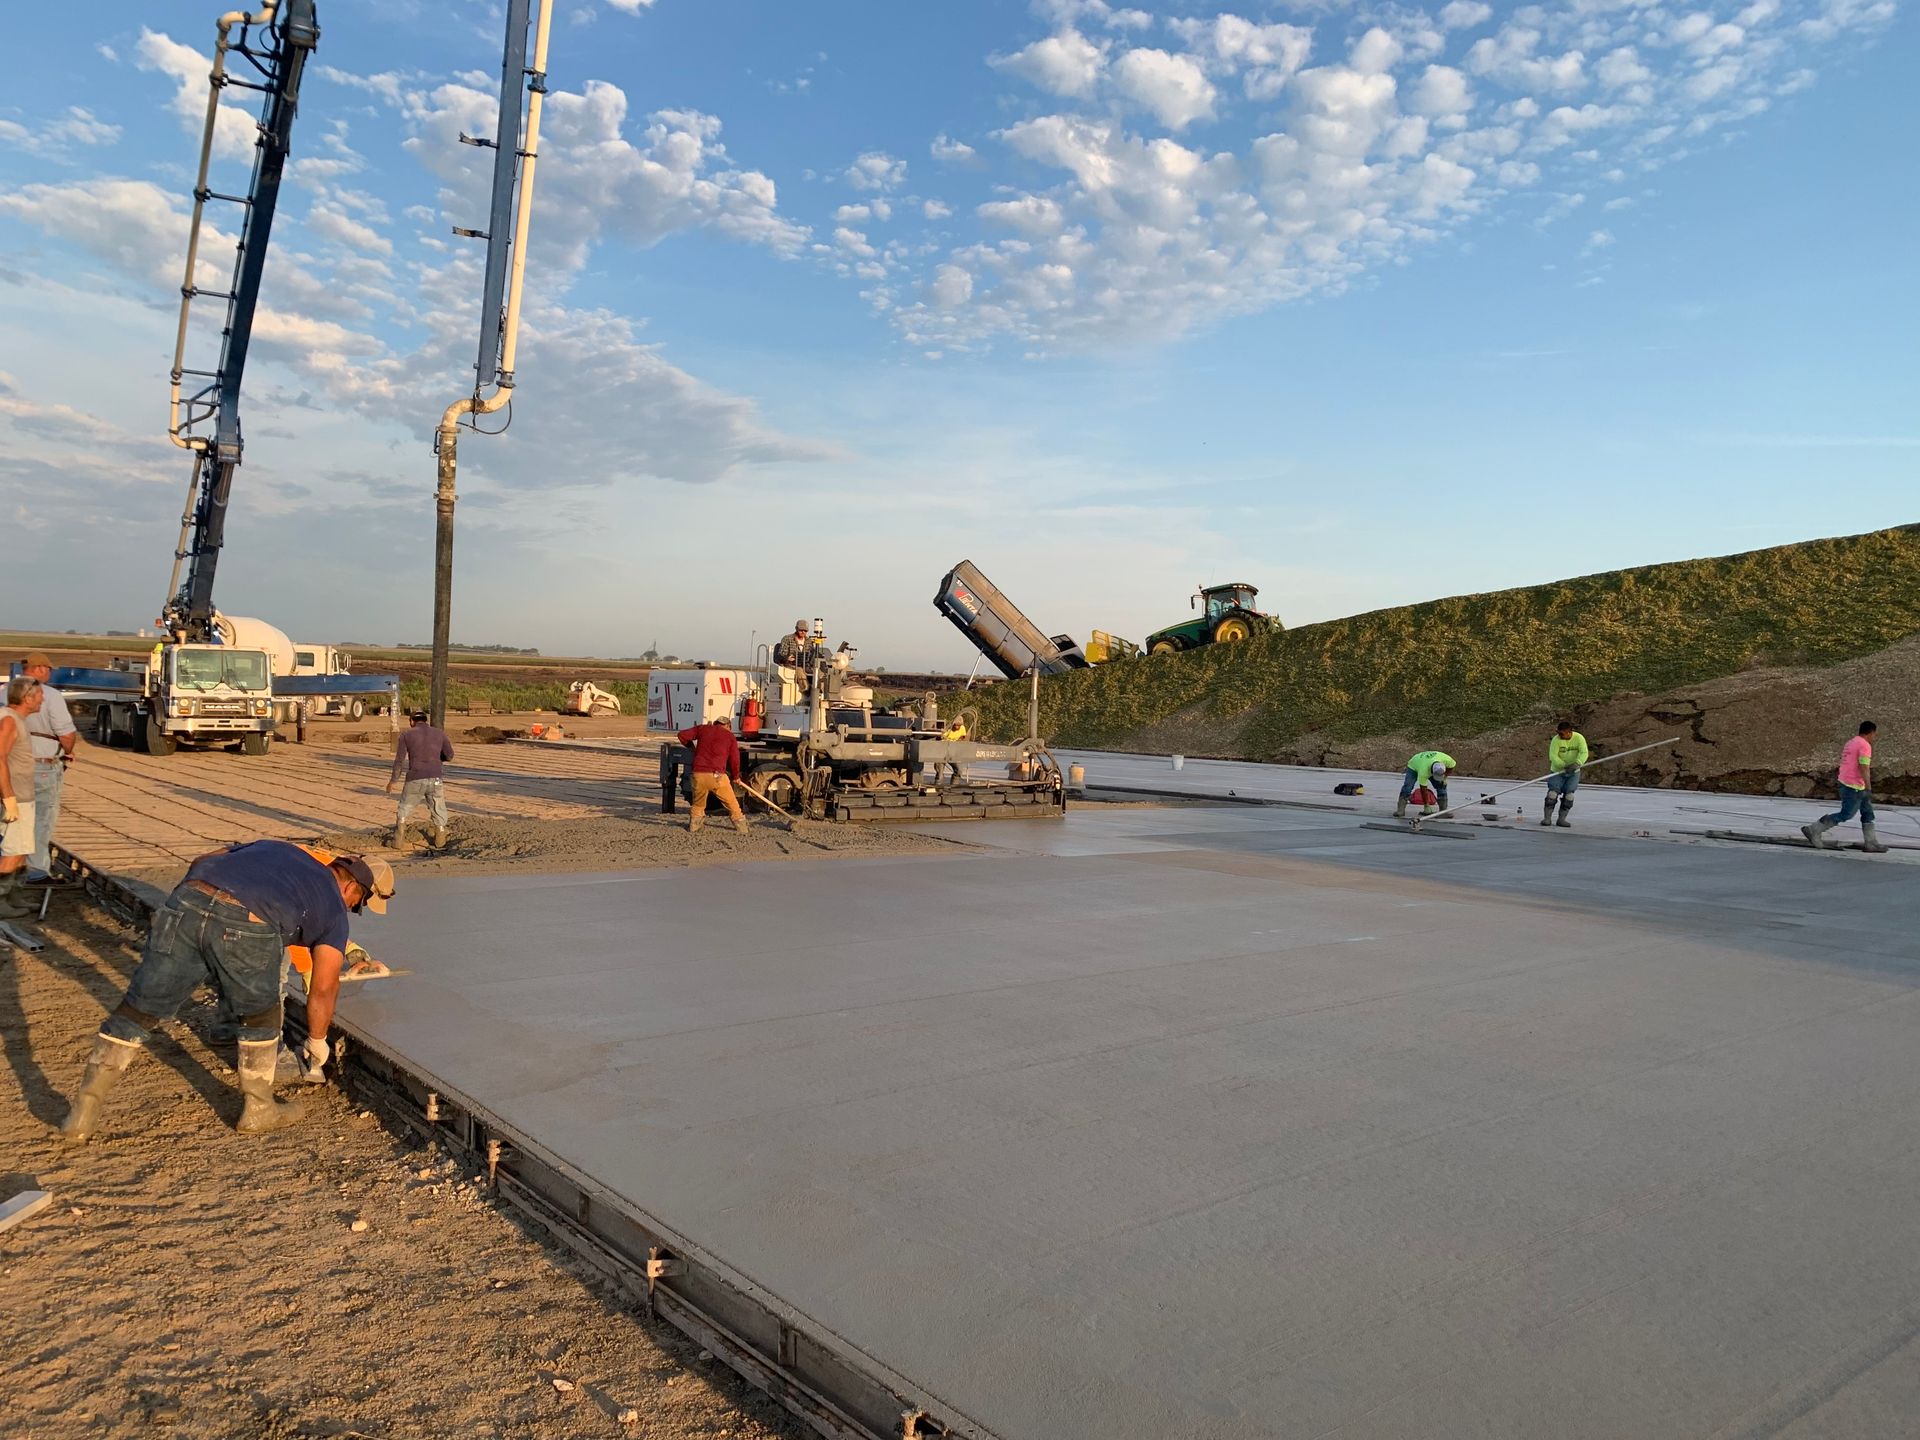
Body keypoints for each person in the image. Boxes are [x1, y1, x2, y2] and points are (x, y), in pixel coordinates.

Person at [59, 840, 396, 1140]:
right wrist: (318, 1039)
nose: (352, 909)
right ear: (351, 887)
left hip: (187, 901)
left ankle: (82, 1113)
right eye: (357, 903)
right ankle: (260, 1109)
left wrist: (193, 908)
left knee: (139, 1008)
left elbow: (203, 860)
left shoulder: (279, 848)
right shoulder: (333, 909)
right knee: (260, 1014)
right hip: (246, 923)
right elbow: (324, 987)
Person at [20, 652, 77, 881]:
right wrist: (68, 750)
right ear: (40, 669)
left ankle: (9, 867)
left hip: (11, 763)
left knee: (10, 819)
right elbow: (66, 733)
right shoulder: (49, 695)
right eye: (49, 669)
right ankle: (36, 871)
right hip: (42, 764)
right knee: (41, 819)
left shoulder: (5, 692)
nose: (50, 674)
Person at [0, 677, 46, 919]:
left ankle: (14, 896)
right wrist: (9, 797)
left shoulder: (15, 719)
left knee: (22, 848)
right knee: (13, 849)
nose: (42, 699)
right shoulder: (9, 720)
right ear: (27, 698)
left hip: (22, 795)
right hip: (15, 796)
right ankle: (1, 900)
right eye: (39, 695)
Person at [1803, 722, 1887, 853]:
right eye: (1874, 734)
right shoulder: (1865, 745)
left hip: (1850, 782)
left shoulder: (1851, 742)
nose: (1874, 737)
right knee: (1846, 814)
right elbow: (1864, 767)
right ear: (1871, 733)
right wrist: (1868, 787)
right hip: (1853, 786)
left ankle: (1871, 843)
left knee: (1867, 812)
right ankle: (1814, 829)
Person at [387, 708, 454, 848]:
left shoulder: (406, 735)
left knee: (405, 807)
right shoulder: (439, 733)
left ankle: (398, 839)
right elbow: (449, 755)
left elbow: (399, 760)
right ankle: (440, 839)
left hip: (415, 778)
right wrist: (437, 758)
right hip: (435, 778)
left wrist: (393, 780)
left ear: (412, 721)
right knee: (438, 807)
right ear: (425, 720)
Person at [677, 716, 749, 834]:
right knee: (732, 804)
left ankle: (695, 827)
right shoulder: (729, 736)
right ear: (728, 726)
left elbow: (682, 735)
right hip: (717, 776)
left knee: (698, 804)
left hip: (698, 775)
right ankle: (742, 828)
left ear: (715, 723)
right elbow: (735, 760)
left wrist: (691, 747)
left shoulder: (703, 729)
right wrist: (736, 776)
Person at [1543, 718, 1588, 828]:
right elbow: (1553, 756)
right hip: (1558, 771)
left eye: (1562, 733)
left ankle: (1561, 819)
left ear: (1569, 732)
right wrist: (1564, 766)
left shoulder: (1579, 738)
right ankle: (1547, 818)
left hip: (1574, 772)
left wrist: (1577, 763)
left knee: (1569, 796)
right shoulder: (1556, 740)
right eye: (1558, 733)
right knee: (1552, 794)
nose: (1560, 735)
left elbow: (1584, 752)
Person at [1396, 749, 1455, 820]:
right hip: (1414, 765)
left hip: (1426, 761)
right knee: (1407, 787)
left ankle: (1443, 812)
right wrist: (1426, 805)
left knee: (1441, 786)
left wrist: (1445, 777)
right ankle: (1400, 811)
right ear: (1432, 772)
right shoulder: (1423, 772)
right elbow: (1423, 790)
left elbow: (1451, 767)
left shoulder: (1447, 760)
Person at [937, 714, 970, 786]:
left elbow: (963, 736)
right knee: (939, 774)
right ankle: (938, 787)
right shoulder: (948, 728)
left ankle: (954, 786)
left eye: (959, 725)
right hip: (942, 751)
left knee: (959, 770)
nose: (957, 727)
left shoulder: (962, 728)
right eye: (956, 725)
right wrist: (942, 734)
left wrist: (961, 741)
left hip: (953, 751)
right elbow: (940, 737)